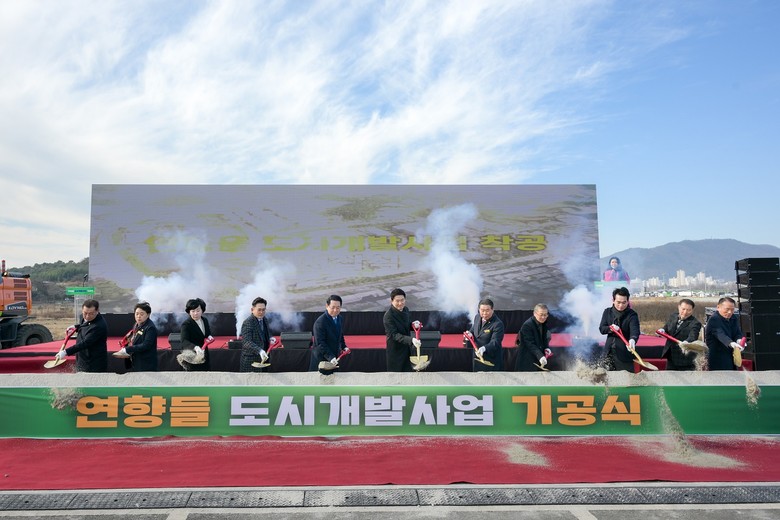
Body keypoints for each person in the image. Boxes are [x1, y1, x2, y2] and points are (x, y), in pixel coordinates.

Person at [55, 299, 108, 372]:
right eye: (85, 313)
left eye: (91, 313)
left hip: (93, 363)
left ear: (97, 311)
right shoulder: (85, 318)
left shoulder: (99, 326)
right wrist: (76, 327)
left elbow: (85, 343)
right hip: (82, 358)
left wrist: (66, 352)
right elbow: (86, 325)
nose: (87, 316)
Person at [598, 287, 640, 372]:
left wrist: (633, 339)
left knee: (626, 378)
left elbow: (635, 330)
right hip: (608, 353)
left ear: (628, 301)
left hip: (624, 354)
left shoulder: (632, 315)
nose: (621, 305)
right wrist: (610, 328)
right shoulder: (607, 312)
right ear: (613, 300)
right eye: (618, 302)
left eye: (624, 302)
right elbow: (602, 329)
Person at [382, 288, 421, 372]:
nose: (400, 303)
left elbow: (406, 325)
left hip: (407, 349)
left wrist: (413, 325)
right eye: (397, 301)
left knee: (408, 374)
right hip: (395, 352)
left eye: (402, 300)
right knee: (396, 376)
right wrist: (411, 340)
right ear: (391, 301)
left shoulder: (406, 309)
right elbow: (394, 335)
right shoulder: (388, 316)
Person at [309, 295, 349, 371]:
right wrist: (330, 357)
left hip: (334, 357)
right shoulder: (320, 322)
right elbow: (320, 343)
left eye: (338, 308)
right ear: (327, 306)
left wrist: (344, 346)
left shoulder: (339, 318)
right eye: (333, 307)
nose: (335, 310)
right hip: (321, 359)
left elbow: (340, 334)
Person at [661, 298, 702, 371]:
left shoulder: (695, 323)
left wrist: (686, 342)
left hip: (684, 359)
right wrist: (663, 330)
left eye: (689, 310)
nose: (685, 312)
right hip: (670, 356)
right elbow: (667, 327)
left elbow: (693, 336)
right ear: (679, 307)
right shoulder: (673, 316)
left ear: (692, 310)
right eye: (683, 309)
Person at [115, 301, 158, 371]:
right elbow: (134, 338)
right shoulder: (137, 324)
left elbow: (146, 345)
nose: (138, 316)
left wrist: (128, 349)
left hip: (145, 364)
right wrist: (126, 343)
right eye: (136, 314)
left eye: (141, 314)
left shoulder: (150, 328)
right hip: (135, 362)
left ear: (148, 315)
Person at [464, 298, 505, 371]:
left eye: (487, 310)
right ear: (479, 309)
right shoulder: (477, 317)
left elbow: (495, 342)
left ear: (492, 310)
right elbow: (474, 329)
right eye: (482, 310)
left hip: (491, 358)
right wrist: (469, 334)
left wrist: (484, 348)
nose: (485, 313)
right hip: (477, 356)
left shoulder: (498, 324)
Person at [705, 296, 744, 371]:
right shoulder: (714, 319)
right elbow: (720, 335)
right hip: (718, 356)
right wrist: (731, 343)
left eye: (732, 309)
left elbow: (737, 332)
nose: (730, 312)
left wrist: (739, 340)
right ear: (718, 307)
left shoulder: (733, 318)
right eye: (727, 309)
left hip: (731, 355)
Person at [179, 297, 213, 371]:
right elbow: (184, 341)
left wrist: (209, 336)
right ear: (189, 312)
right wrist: (196, 348)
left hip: (204, 355)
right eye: (193, 311)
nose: (195, 313)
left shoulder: (205, 320)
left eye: (198, 310)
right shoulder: (186, 324)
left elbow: (207, 334)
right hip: (192, 357)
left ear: (202, 310)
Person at [515, 304, 551, 372]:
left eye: (545, 315)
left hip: (538, 359)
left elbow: (544, 338)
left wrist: (547, 347)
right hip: (527, 360)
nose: (543, 317)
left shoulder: (543, 323)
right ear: (534, 313)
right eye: (541, 315)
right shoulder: (527, 325)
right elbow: (530, 344)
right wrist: (540, 356)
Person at [239, 297, 271, 372]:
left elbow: (265, 334)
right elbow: (246, 342)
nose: (261, 312)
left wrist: (270, 338)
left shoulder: (265, 320)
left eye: (263, 310)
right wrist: (260, 351)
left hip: (264, 360)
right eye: (259, 310)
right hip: (251, 362)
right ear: (252, 310)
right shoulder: (248, 322)